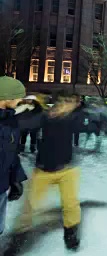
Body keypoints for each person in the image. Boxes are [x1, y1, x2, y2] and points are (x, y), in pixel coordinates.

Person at [10, 93, 83, 252]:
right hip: (43, 170)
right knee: (30, 205)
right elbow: (23, 123)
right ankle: (19, 236)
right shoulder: (44, 118)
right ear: (59, 103)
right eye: (68, 102)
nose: (71, 106)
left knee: (71, 204)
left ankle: (70, 232)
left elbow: (84, 118)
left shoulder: (73, 119)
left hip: (67, 169)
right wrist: (27, 108)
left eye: (73, 103)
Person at [0, 77, 28, 237]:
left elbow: (11, 152)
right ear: (6, 98)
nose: (21, 100)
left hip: (2, 187)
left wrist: (15, 178)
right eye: (18, 96)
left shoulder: (10, 121)